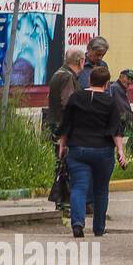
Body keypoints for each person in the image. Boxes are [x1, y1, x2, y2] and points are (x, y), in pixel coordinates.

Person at [56, 65, 126, 237]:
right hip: (103, 151)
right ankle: (99, 228)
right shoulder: (110, 102)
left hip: (78, 149)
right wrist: (121, 151)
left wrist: (62, 145)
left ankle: (78, 224)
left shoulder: (76, 98)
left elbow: (66, 125)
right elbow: (115, 129)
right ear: (107, 84)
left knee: (79, 187)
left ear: (89, 80)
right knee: (101, 189)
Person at [44, 48, 84, 222]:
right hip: (64, 129)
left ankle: (61, 202)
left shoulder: (58, 73)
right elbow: (68, 104)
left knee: (61, 165)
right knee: (67, 166)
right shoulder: (68, 77)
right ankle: (65, 204)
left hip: (55, 126)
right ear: (81, 61)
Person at [108, 68, 133, 136]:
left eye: (131, 79)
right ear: (121, 76)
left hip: (117, 122)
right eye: (128, 78)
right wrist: (132, 122)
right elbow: (123, 109)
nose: (130, 81)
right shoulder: (116, 88)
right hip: (116, 122)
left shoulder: (118, 87)